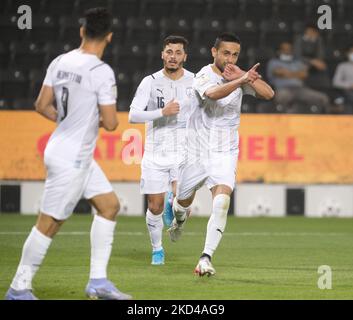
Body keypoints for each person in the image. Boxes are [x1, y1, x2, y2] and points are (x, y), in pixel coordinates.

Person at [5, 8, 131, 300]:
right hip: (72, 158)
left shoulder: (60, 61)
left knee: (109, 205)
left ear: (82, 31)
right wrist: (90, 120)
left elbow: (41, 104)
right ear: (109, 37)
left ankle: (98, 282)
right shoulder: (102, 72)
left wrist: (69, 120)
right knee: (49, 222)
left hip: (64, 149)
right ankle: (18, 288)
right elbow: (111, 123)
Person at [167, 33, 274, 276]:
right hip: (196, 152)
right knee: (182, 202)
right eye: (226, 53)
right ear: (214, 52)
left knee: (222, 201)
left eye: (235, 54)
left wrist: (243, 76)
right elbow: (214, 94)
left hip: (225, 151)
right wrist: (240, 80)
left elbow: (268, 94)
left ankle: (205, 258)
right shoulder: (203, 75)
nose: (230, 58)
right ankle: (179, 220)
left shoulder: (237, 74)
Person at [128, 36, 194, 265]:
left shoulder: (195, 81)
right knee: (154, 207)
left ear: (185, 56)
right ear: (162, 54)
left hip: (184, 151)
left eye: (178, 52)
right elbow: (133, 115)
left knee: (182, 202)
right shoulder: (150, 81)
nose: (173, 56)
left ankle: (176, 215)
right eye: (169, 51)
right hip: (156, 152)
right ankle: (157, 249)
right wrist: (161, 113)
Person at [267, 42, 330, 113]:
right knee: (282, 98)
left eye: (289, 49)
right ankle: (282, 122)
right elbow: (279, 72)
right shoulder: (274, 62)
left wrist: (287, 74)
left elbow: (304, 75)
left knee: (322, 98)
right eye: (285, 49)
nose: (288, 51)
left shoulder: (297, 62)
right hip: (283, 89)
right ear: (279, 51)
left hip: (300, 89)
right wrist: (297, 74)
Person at [293, 23, 331, 90]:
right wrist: (311, 61)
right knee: (302, 66)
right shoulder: (299, 39)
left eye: (313, 31)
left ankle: (324, 88)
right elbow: (297, 56)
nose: (310, 33)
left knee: (323, 66)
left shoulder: (318, 39)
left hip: (315, 62)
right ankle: (303, 88)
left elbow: (320, 54)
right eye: (308, 31)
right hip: (301, 61)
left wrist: (318, 62)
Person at [333, 45, 353, 114]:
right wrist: (349, 85)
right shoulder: (342, 66)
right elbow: (336, 82)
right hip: (348, 91)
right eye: (351, 52)